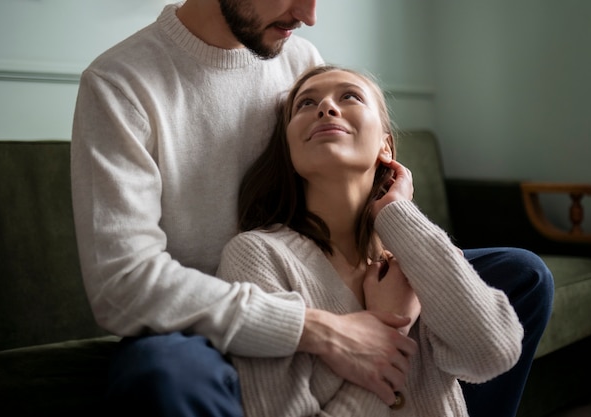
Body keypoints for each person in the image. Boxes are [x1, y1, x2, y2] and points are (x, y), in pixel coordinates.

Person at [70, 1, 554, 416]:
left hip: (334, 267)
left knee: (521, 276)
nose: (309, 15)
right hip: (214, 314)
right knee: (163, 374)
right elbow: (122, 284)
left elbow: (345, 179)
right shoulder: (120, 83)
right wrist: (324, 328)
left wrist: (395, 221)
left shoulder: (296, 55)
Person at [217, 64, 524, 416]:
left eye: (349, 96)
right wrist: (393, 323)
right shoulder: (257, 256)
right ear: (288, 150)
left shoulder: (417, 253)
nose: (326, 108)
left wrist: (399, 216)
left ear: (386, 145)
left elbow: (493, 352)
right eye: (305, 104)